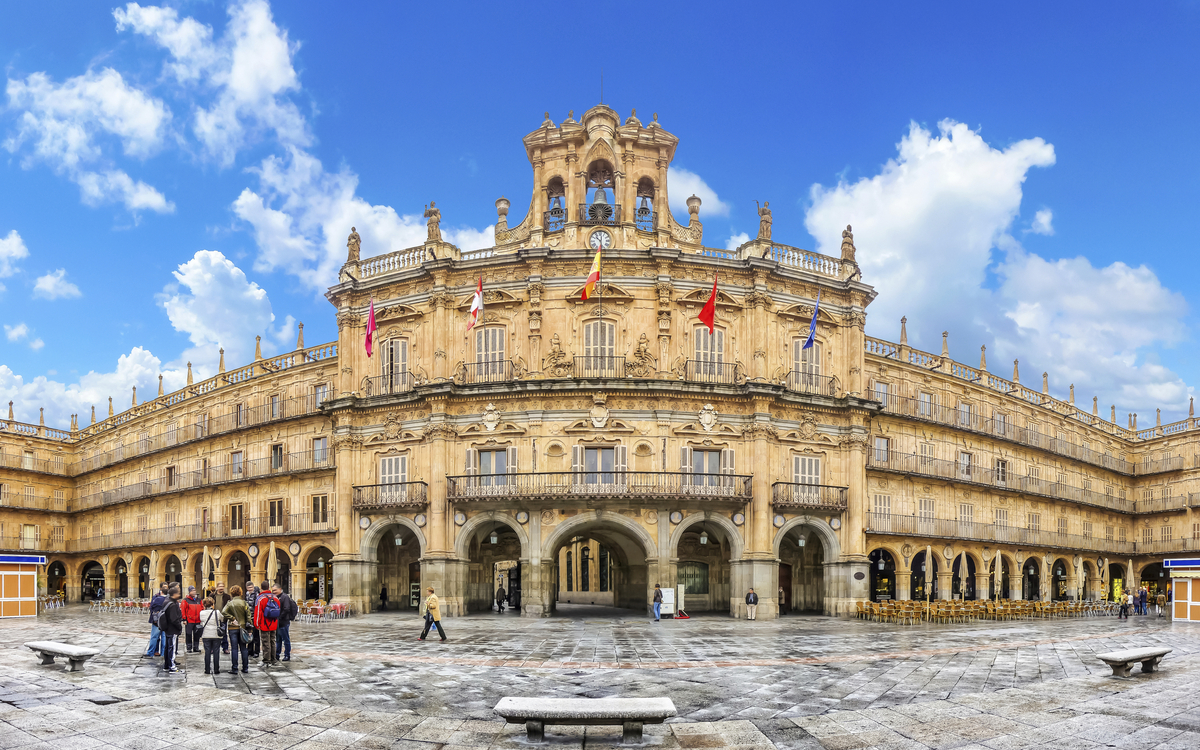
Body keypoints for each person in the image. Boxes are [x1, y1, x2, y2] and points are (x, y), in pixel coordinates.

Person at [221, 585, 251, 674]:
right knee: (243, 648)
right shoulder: (244, 603)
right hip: (243, 628)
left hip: (232, 627)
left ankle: (234, 668)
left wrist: (232, 618)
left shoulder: (230, 603)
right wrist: (250, 630)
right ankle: (245, 668)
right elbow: (248, 617)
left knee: (234, 649)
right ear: (240, 593)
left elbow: (223, 612)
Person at [253, 580, 281, 668]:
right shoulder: (275, 598)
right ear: (269, 587)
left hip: (264, 624)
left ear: (261, 588)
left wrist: (256, 624)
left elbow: (258, 613)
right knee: (273, 641)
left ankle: (266, 660)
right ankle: (273, 659)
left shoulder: (260, 598)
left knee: (265, 642)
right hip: (273, 623)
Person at [160, 584, 184, 673]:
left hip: (167, 628)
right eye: (178, 593)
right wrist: (179, 627)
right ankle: (172, 667)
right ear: (174, 594)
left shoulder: (166, 601)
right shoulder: (173, 604)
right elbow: (174, 619)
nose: (179, 595)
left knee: (167, 647)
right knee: (172, 648)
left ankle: (166, 665)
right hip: (172, 629)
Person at [199, 597, 223, 674]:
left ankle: (207, 669)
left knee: (207, 652)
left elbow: (201, 622)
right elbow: (222, 619)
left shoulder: (201, 613)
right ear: (213, 604)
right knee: (216, 651)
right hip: (216, 634)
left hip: (206, 634)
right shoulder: (217, 612)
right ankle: (216, 669)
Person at [273, 584, 297, 662]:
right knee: (278, 639)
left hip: (284, 621)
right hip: (278, 622)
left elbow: (286, 608)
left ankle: (287, 655)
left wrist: (280, 617)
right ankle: (277, 654)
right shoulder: (276, 597)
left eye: (275, 590)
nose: (274, 592)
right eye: (273, 590)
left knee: (285, 639)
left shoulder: (284, 597)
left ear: (280, 589)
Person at [144, 583, 169, 657]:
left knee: (155, 637)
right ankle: (162, 653)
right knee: (162, 638)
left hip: (157, 620)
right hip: (165, 621)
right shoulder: (169, 599)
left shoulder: (157, 598)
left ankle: (151, 652)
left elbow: (152, 608)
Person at [211, 582, 232, 654]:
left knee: (224, 633)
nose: (221, 588)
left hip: (223, 618)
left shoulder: (227, 596)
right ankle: (213, 648)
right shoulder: (212, 596)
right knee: (213, 633)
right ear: (217, 587)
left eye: (222, 586)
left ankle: (225, 648)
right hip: (214, 617)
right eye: (220, 586)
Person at [182, 586, 203, 653]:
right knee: (188, 634)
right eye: (192, 590)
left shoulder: (199, 600)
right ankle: (189, 647)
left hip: (197, 620)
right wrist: (184, 619)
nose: (194, 592)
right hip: (189, 620)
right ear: (189, 592)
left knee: (197, 634)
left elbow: (202, 608)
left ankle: (196, 647)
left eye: (194, 590)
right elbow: (183, 610)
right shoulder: (185, 600)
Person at [245, 585, 261, 658]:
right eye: (249, 588)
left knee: (256, 635)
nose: (250, 589)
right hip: (248, 617)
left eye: (251, 587)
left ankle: (257, 651)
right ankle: (250, 650)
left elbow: (257, 606)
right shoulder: (246, 594)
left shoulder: (256, 595)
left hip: (254, 617)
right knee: (249, 634)